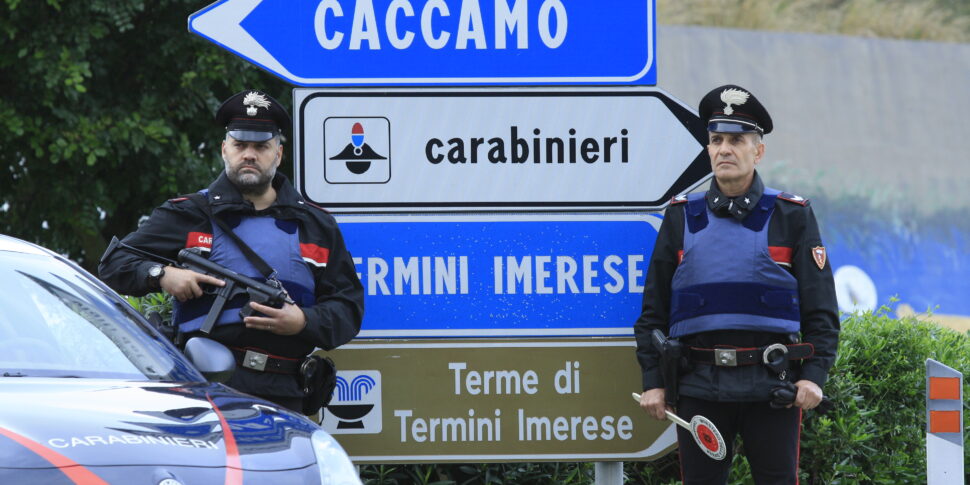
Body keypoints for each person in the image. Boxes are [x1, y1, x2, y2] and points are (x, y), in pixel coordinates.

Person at [100, 89, 364, 413]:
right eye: (240, 145)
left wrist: (303, 321)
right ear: (225, 150)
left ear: (278, 154)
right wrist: (162, 275)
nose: (249, 155)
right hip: (204, 390)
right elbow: (113, 263)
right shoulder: (187, 213)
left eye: (261, 147)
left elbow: (348, 309)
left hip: (286, 394)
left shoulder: (316, 225)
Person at [634, 84, 839, 484]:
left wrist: (813, 376)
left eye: (736, 140)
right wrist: (653, 382)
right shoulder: (681, 216)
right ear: (708, 149)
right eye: (716, 140)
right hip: (699, 387)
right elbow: (653, 312)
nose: (724, 149)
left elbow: (822, 312)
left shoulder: (791, 216)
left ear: (757, 151)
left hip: (772, 389)